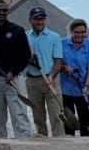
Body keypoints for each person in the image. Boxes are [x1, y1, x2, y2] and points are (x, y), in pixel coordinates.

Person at [0, 0, 32, 139]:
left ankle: (25, 143)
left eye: (4, 10)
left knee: (19, 115)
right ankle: (2, 147)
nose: (2, 13)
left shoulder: (17, 30)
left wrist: (13, 71)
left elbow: (25, 55)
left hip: (14, 79)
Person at [24, 7, 64, 137]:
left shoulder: (54, 37)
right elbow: (19, 57)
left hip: (50, 79)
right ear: (30, 20)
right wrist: (27, 59)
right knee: (38, 116)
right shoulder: (24, 36)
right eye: (36, 19)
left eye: (42, 19)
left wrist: (52, 76)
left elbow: (58, 61)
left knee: (56, 115)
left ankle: (59, 142)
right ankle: (42, 143)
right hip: (32, 81)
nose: (39, 22)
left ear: (45, 19)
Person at [58, 19, 89, 136]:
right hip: (66, 89)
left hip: (84, 89)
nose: (80, 35)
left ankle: (86, 146)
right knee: (69, 122)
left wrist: (86, 85)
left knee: (86, 121)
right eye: (76, 32)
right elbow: (57, 62)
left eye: (83, 32)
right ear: (71, 31)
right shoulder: (62, 43)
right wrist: (64, 67)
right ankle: (70, 145)